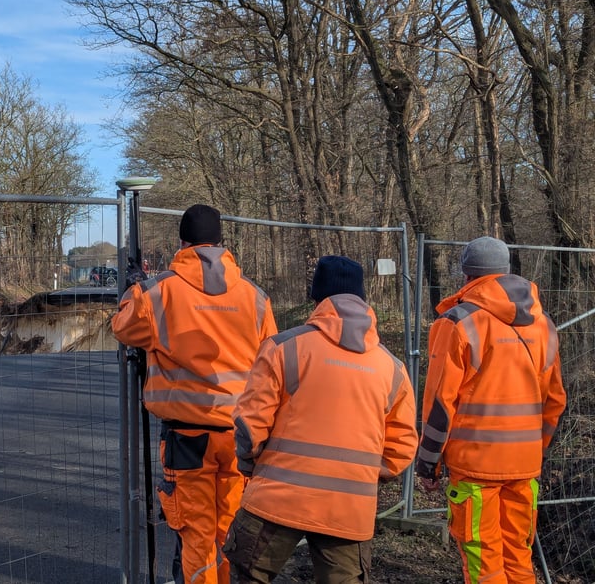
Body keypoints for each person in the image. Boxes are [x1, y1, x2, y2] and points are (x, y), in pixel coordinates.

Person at [223, 255, 418, 583]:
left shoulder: (283, 348)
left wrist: (250, 464)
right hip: (348, 509)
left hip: (277, 498)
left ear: (316, 298)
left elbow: (250, 425)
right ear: (363, 299)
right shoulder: (393, 369)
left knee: (248, 574)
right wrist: (364, 476)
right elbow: (402, 446)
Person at [112, 203, 278, 584]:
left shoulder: (158, 292)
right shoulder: (256, 298)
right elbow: (272, 365)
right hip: (241, 437)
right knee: (228, 531)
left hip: (187, 438)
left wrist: (134, 288)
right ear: (221, 243)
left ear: (182, 243)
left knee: (196, 535)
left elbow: (123, 327)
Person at [416, 236, 567, 584]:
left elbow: (440, 402)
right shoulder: (543, 324)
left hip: (475, 466)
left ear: (467, 275)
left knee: (484, 563)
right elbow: (555, 399)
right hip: (525, 466)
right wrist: (534, 449)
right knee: (518, 559)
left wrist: (428, 463)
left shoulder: (457, 322)